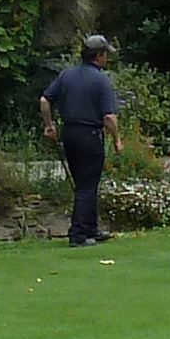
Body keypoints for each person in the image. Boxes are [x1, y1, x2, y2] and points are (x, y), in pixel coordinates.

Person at [39, 33, 121, 245]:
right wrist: (117, 140)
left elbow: (45, 100)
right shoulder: (102, 80)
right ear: (99, 56)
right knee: (87, 185)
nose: (107, 59)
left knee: (84, 183)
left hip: (70, 134)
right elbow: (109, 117)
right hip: (90, 136)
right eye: (106, 55)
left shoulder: (67, 75)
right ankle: (77, 235)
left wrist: (49, 126)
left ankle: (91, 229)